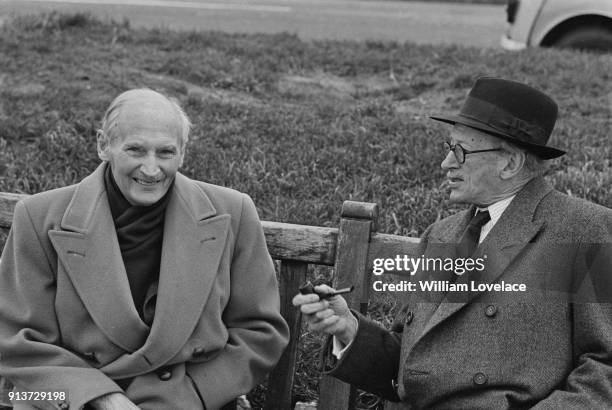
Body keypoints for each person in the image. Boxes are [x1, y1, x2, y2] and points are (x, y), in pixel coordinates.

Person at [293, 77, 612, 409]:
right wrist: (349, 330)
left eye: (460, 151)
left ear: (510, 163)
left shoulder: (584, 230)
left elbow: (605, 369)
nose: (446, 163)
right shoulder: (441, 235)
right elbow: (411, 370)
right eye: (449, 149)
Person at [0, 89, 289, 410]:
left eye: (165, 152)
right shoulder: (39, 216)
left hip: (188, 398)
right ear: (103, 146)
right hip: (67, 397)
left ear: (183, 152)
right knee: (22, 397)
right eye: (135, 150)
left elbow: (260, 332)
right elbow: (15, 342)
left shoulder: (233, 211)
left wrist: (191, 395)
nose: (151, 169)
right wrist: (101, 397)